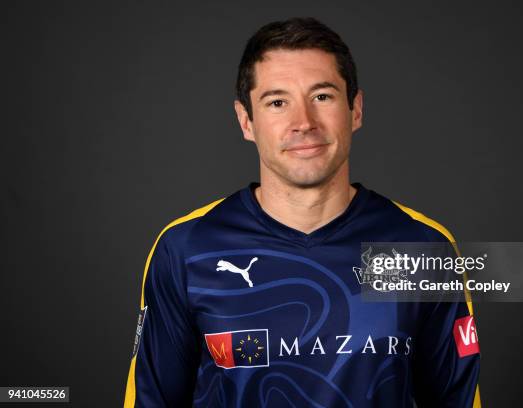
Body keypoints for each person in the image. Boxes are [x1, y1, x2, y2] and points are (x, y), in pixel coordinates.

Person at [124, 17, 481, 408]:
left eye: (322, 97)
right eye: (278, 102)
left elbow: (457, 400)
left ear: (355, 110)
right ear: (246, 121)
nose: (303, 123)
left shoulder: (419, 246)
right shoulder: (187, 248)